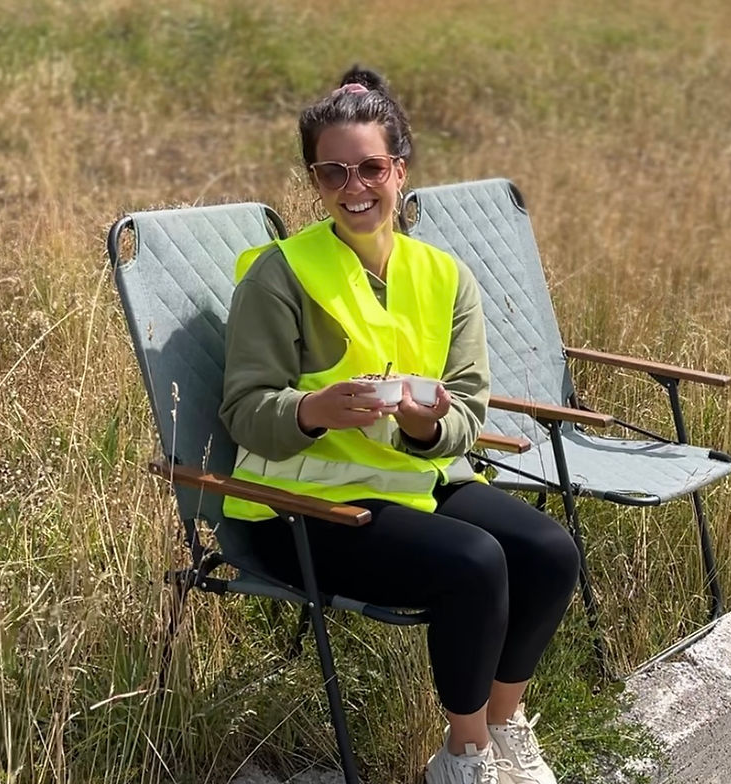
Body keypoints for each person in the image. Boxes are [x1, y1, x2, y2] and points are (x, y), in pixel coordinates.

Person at [218, 65, 580, 784]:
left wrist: (425, 427)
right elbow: (245, 411)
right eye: (332, 172)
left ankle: (505, 732)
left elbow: (469, 411)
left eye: (371, 168)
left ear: (399, 170)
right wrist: (314, 410)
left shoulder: (446, 276)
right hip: (300, 507)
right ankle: (464, 757)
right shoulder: (279, 276)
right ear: (314, 180)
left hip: (412, 477)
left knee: (548, 551)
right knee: (474, 562)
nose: (354, 188)